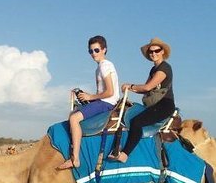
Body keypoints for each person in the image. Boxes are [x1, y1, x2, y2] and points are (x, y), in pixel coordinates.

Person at [57, 35, 120, 170]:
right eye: (90, 51)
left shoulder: (105, 66)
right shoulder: (99, 68)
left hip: (107, 103)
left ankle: (75, 158)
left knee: (74, 118)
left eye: (96, 50)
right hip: (103, 101)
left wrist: (90, 97)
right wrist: (83, 96)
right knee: (74, 112)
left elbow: (110, 92)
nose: (93, 54)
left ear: (104, 50)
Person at [109, 37, 175, 163]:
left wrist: (131, 86)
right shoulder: (154, 69)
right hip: (154, 105)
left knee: (136, 122)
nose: (153, 53)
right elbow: (144, 90)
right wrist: (130, 88)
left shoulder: (164, 68)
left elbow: (148, 87)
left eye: (156, 51)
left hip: (164, 105)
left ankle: (125, 154)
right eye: (151, 52)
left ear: (162, 52)